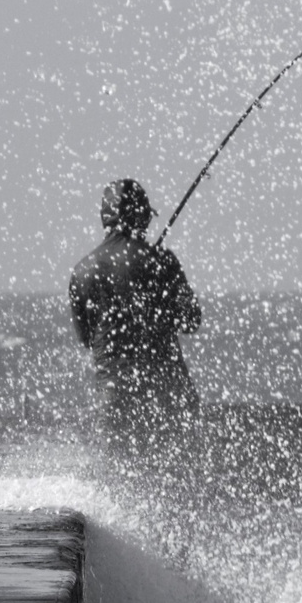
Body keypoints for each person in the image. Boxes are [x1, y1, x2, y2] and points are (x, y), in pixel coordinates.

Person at [69, 179, 203, 437]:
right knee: (182, 473)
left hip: (113, 400)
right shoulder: (162, 261)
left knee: (114, 476)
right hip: (168, 394)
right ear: (140, 215)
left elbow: (86, 339)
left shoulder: (80, 272)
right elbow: (191, 320)